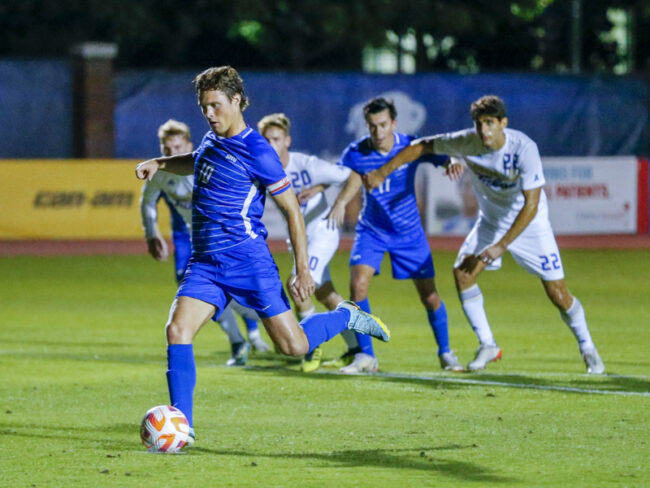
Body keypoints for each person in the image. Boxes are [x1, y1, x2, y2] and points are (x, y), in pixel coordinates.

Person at [135, 66, 391, 442]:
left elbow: (291, 210)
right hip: (206, 263)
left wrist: (302, 269)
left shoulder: (259, 151)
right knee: (177, 330)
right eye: (204, 106)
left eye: (215, 105)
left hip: (249, 263)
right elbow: (199, 159)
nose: (209, 113)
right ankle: (182, 427)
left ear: (237, 100)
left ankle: (345, 316)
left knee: (293, 347)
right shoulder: (211, 138)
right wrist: (160, 163)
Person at [365, 94, 605, 374]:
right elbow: (422, 147)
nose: (484, 130)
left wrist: (501, 247)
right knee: (463, 274)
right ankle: (488, 344)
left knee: (557, 293)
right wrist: (383, 171)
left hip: (531, 225)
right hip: (491, 222)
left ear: (503, 123)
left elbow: (531, 204)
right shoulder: (467, 141)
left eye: (490, 123)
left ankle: (587, 347)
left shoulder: (524, 149)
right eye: (479, 124)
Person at [327, 97, 463, 374]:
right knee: (358, 286)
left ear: (394, 123)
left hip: (409, 233)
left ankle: (446, 352)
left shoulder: (408, 145)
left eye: (383, 125)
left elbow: (437, 152)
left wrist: (449, 161)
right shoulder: (356, 152)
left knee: (429, 296)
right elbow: (337, 176)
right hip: (372, 231)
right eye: (372, 126)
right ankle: (366, 356)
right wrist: (327, 195)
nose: (378, 132)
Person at [139, 119, 270, 365]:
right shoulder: (161, 174)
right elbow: (147, 203)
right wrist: (151, 234)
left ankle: (275, 326)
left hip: (225, 238)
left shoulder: (203, 165)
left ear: (189, 145)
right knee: (198, 293)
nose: (171, 154)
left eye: (177, 147)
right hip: (194, 239)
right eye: (166, 149)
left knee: (235, 291)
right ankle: (238, 341)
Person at [258, 113, 359, 372]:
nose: (271, 144)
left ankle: (311, 349)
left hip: (323, 232)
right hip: (300, 242)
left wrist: (336, 200)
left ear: (287, 140)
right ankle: (358, 349)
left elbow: (354, 176)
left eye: (276, 139)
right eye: (266, 139)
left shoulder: (306, 165)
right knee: (325, 294)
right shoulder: (262, 169)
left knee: (298, 284)